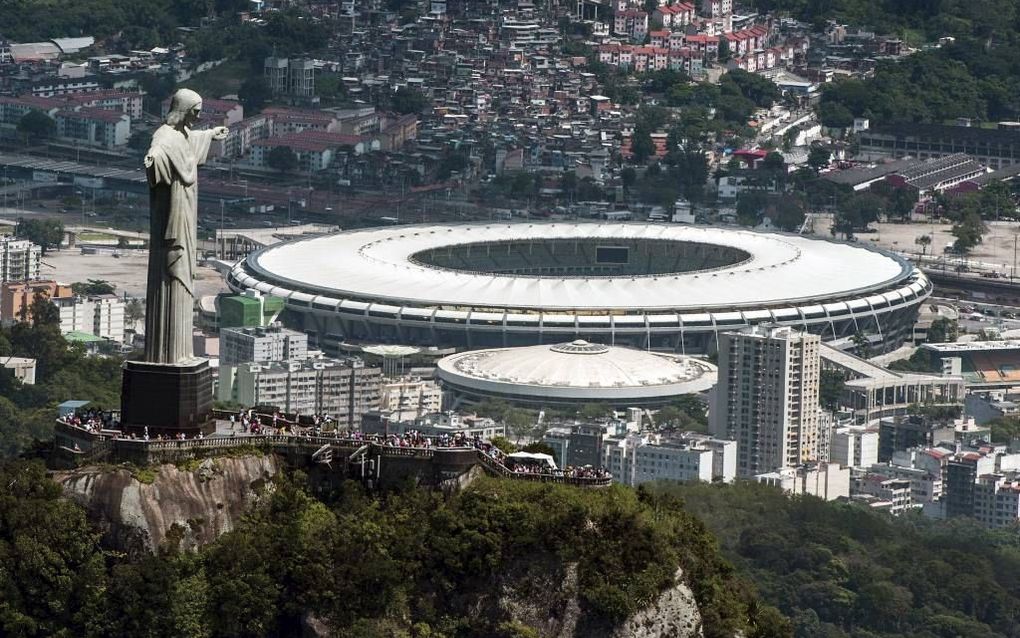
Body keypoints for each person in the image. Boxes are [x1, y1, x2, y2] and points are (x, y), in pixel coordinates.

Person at [143, 88, 228, 364]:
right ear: (183, 109)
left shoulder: (182, 134)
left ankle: (181, 353)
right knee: (171, 276)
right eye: (195, 111)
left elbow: (190, 141)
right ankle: (166, 355)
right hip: (174, 215)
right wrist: (153, 160)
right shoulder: (165, 136)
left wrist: (211, 134)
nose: (198, 116)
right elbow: (158, 150)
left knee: (185, 275)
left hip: (187, 210)